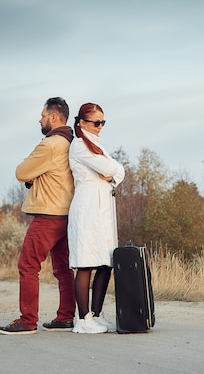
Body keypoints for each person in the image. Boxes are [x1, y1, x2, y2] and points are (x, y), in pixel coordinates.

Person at [0, 97, 76, 335]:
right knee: (63, 268)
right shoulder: (71, 143)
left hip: (47, 215)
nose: (39, 119)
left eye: (42, 115)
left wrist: (34, 175)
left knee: (28, 265)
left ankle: (28, 320)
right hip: (67, 215)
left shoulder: (50, 144)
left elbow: (21, 172)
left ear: (53, 117)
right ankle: (65, 317)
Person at [68, 102, 125, 334]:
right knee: (86, 262)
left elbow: (118, 171)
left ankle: (97, 314)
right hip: (87, 208)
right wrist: (112, 170)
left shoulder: (98, 145)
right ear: (82, 122)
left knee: (105, 262)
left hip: (104, 209)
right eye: (96, 122)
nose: (100, 126)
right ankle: (82, 319)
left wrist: (112, 172)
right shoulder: (79, 145)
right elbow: (111, 169)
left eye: (103, 122)